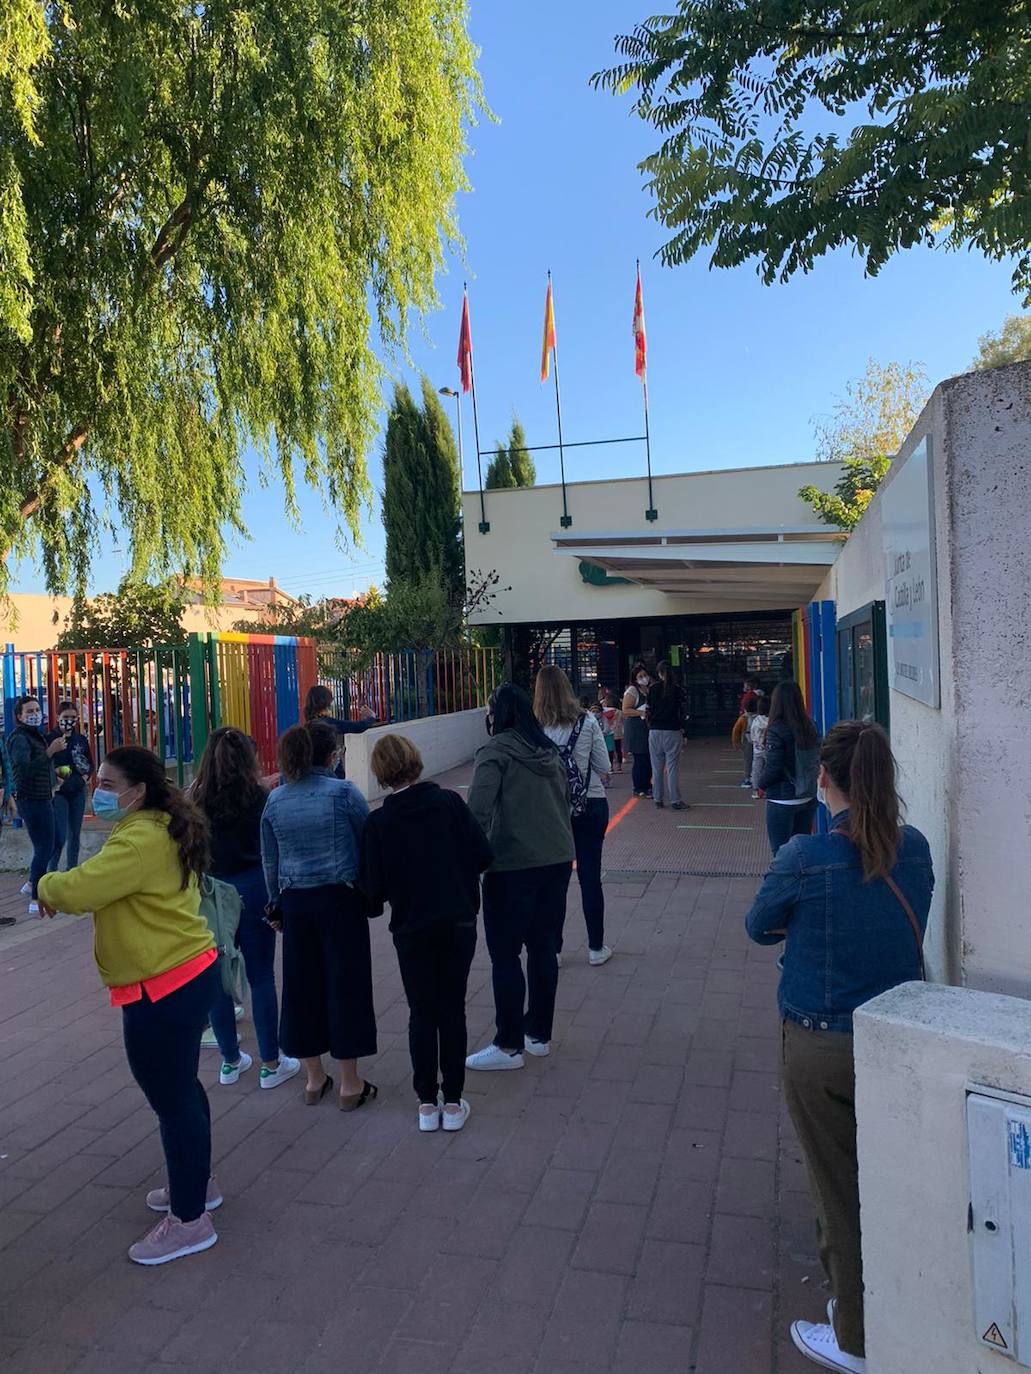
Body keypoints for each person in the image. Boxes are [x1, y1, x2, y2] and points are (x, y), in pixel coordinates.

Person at [744, 722, 934, 1374]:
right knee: (886, 1177)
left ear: (823, 778)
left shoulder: (804, 855)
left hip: (820, 1043)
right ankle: (894, 1301)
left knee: (836, 1187)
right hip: (897, 1038)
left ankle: (854, 1336)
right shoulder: (914, 848)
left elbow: (756, 928)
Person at [37, 747, 221, 1266]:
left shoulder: (140, 839)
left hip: (163, 986)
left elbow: (80, 889)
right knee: (182, 1089)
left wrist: (44, 884)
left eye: (108, 781)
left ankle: (189, 1221)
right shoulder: (160, 823)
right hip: (183, 973)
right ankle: (197, 1186)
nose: (99, 787)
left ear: (137, 791)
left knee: (172, 1099)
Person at [359, 734, 492, 1132]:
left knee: (422, 1010)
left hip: (412, 928)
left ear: (380, 774)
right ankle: (453, 1101)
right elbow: (483, 855)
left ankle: (425, 1103)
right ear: (415, 761)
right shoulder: (450, 803)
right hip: (458, 920)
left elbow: (371, 896)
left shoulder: (379, 822)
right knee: (453, 1008)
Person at [262, 720, 377, 1109]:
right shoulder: (343, 793)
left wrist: (274, 902)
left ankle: (314, 1078)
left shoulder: (276, 799)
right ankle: (349, 1083)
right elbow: (367, 841)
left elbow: (270, 859)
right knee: (347, 986)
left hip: (296, 902)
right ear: (331, 755)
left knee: (300, 987)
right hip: (340, 900)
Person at [465, 683, 575, 1070]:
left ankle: (508, 1043)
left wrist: (468, 863)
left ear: (499, 714)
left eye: (490, 711)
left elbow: (476, 814)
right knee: (544, 948)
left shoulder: (494, 752)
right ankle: (538, 1034)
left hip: (511, 865)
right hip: (557, 859)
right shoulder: (549, 750)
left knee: (505, 954)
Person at [191, 728, 300, 1090]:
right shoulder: (260, 796)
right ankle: (271, 1062)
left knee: (216, 977)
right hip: (254, 886)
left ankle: (230, 1060)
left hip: (212, 892)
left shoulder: (195, 798)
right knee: (261, 975)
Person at [534, 667, 614, 967]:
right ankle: (595, 948)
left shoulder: (536, 726)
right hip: (591, 804)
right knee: (590, 877)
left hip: (554, 810)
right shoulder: (587, 719)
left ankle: (554, 949)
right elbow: (604, 765)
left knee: (556, 880)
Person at [8, 695, 62, 916]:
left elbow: (40, 766)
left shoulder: (35, 735)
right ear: (20, 716)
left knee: (56, 841)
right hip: (31, 799)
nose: (35, 714)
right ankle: (35, 897)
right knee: (44, 847)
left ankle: (32, 882)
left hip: (43, 796)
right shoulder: (20, 738)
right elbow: (23, 771)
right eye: (29, 711)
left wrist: (54, 777)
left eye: (37, 710)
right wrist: (50, 752)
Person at [758, 681, 820, 855]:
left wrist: (760, 783)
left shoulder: (776, 730)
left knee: (781, 854)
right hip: (807, 796)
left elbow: (773, 768)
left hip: (782, 798)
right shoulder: (810, 725)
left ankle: (784, 883)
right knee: (801, 852)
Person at [46, 701, 95, 872]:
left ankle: (71, 872)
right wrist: (72, 772)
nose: (69, 720)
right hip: (58, 794)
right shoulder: (50, 739)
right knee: (59, 835)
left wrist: (81, 777)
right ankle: (50, 873)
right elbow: (52, 765)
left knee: (75, 835)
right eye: (65, 717)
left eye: (73, 717)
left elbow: (89, 762)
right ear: (58, 717)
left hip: (78, 792)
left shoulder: (80, 739)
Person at [303, 683, 377, 778]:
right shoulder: (326, 722)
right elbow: (357, 727)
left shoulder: (309, 724)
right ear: (324, 702)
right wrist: (371, 718)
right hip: (329, 768)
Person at [647, 661, 688, 811]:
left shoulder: (653, 689)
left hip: (655, 731)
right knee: (672, 767)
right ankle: (675, 800)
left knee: (656, 767)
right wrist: (684, 731)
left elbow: (648, 709)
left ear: (658, 673)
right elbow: (682, 713)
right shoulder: (678, 690)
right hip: (673, 730)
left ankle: (658, 798)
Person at [622, 662, 652, 797]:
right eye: (640, 676)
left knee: (648, 758)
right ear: (635, 679)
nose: (644, 678)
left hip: (646, 728)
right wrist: (641, 713)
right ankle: (639, 787)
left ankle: (647, 784)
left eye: (645, 675)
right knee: (640, 759)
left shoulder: (647, 689)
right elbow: (625, 710)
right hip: (636, 729)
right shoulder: (632, 691)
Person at [749, 693, 770, 799]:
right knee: (768, 769)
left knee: (756, 770)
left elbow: (752, 735)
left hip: (757, 749)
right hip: (768, 750)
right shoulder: (771, 721)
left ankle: (756, 790)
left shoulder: (755, 720)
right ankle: (767, 790)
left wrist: (754, 742)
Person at [740, 695, 759, 789]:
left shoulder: (744, 717)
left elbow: (736, 730)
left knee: (748, 760)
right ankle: (755, 779)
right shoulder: (759, 717)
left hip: (747, 738)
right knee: (757, 761)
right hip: (758, 740)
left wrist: (737, 742)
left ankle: (748, 779)